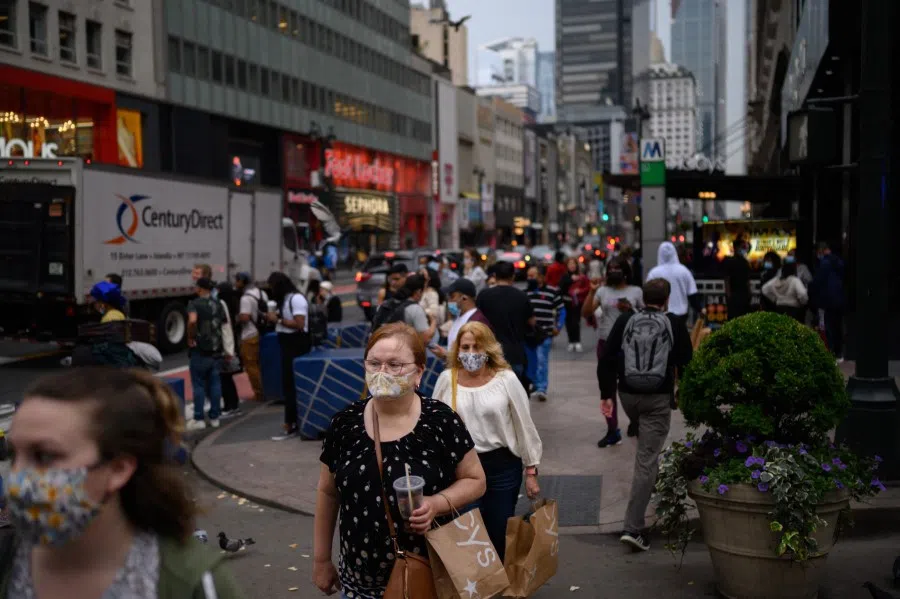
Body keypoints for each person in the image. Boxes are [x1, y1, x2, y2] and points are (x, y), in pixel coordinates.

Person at [0, 368, 243, 597]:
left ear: (118, 469)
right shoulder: (9, 560)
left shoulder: (193, 583)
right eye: (13, 455)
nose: (17, 475)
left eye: (44, 456)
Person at [312, 323, 487, 598]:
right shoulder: (344, 424)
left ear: (419, 372)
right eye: (374, 363)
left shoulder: (441, 421)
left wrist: (435, 504)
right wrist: (321, 560)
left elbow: (476, 480)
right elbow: (327, 491)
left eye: (395, 365)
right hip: (360, 581)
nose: (382, 373)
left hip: (431, 576)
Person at [432, 322, 542, 562]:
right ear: (457, 349)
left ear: (489, 349)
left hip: (502, 466)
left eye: (477, 347)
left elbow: (524, 424)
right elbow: (435, 428)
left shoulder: (506, 379)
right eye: (465, 347)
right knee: (468, 532)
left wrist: (531, 468)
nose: (471, 353)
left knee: (499, 531)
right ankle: (476, 586)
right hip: (462, 469)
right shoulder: (446, 379)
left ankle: (497, 581)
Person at [598, 279, 693, 552]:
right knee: (646, 461)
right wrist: (682, 393)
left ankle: (638, 432)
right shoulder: (674, 323)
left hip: (627, 396)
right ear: (666, 299)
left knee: (642, 437)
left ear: (643, 298)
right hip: (657, 398)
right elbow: (686, 361)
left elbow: (606, 357)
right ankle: (633, 528)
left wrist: (606, 394)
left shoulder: (627, 319)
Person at [582, 257, 645, 447]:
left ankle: (636, 421)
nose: (614, 271)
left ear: (626, 271)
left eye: (618, 268)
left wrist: (631, 309)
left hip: (630, 346)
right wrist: (592, 291)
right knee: (607, 390)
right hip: (606, 345)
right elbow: (586, 313)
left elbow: (646, 315)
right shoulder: (602, 291)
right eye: (611, 268)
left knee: (632, 388)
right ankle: (612, 430)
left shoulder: (636, 291)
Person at [477, 261, 536, 390]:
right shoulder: (522, 296)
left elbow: (477, 322)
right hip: (515, 355)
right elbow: (532, 322)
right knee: (515, 397)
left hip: (490, 355)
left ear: (495, 276)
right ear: (513, 276)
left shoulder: (484, 296)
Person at [266, 271, 311, 441]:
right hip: (286, 344)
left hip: (296, 345)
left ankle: (291, 423)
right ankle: (291, 422)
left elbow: (299, 323)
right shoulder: (283, 300)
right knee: (288, 384)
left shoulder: (296, 299)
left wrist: (277, 320)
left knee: (292, 385)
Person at [186, 277, 225, 431]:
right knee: (215, 383)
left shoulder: (194, 304)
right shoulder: (218, 304)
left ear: (201, 288)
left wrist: (190, 336)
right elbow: (223, 323)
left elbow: (193, 321)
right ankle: (215, 417)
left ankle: (199, 418)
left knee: (199, 385)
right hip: (216, 349)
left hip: (200, 350)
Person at [525, 265, 564, 402]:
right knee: (531, 361)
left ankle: (542, 388)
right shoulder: (526, 293)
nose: (530, 278)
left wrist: (558, 326)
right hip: (529, 335)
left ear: (541, 277)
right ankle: (535, 384)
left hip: (545, 334)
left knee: (542, 360)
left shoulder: (552, 292)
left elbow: (561, 310)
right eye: (528, 276)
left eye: (532, 276)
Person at [646, 241, 701, 329]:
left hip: (659, 316)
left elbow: (647, 296)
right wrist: (700, 310)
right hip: (681, 316)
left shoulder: (653, 273)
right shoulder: (684, 271)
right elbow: (692, 295)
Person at [371, 275, 437, 345]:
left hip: (378, 349)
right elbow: (425, 339)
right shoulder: (415, 309)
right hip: (401, 351)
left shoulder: (385, 304)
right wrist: (434, 321)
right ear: (418, 291)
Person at [235, 272, 268, 402]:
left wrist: (237, 318)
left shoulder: (245, 298)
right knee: (260, 364)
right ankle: (266, 388)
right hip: (261, 332)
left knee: (251, 366)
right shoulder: (261, 293)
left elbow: (245, 316)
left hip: (249, 334)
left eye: (237, 280)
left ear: (243, 282)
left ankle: (259, 393)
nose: (236, 283)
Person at [810, 242, 845, 360]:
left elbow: (817, 282)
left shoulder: (824, 264)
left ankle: (831, 352)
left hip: (827, 301)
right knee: (837, 326)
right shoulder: (839, 262)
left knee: (828, 327)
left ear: (822, 250)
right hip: (839, 300)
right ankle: (839, 352)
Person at [444, 278, 491, 349]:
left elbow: (477, 354)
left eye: (452, 296)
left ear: (464, 298)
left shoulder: (477, 321)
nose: (449, 300)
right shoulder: (459, 317)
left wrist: (446, 355)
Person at [559, 257, 590, 352]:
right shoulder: (564, 277)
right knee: (568, 323)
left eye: (573, 263)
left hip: (577, 303)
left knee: (575, 322)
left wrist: (579, 291)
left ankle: (577, 341)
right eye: (570, 264)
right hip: (566, 302)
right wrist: (571, 280)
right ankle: (571, 341)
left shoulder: (581, 276)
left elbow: (587, 288)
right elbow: (561, 288)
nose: (572, 265)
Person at [721, 240, 752, 320]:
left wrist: (749, 293)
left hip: (744, 295)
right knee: (733, 318)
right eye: (742, 247)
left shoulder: (745, 262)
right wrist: (729, 295)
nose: (744, 249)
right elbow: (727, 280)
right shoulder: (729, 261)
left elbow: (747, 279)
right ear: (736, 248)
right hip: (734, 295)